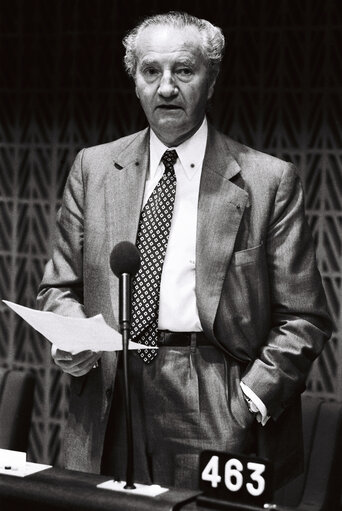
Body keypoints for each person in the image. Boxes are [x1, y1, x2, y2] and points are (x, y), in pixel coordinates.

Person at [37, 11, 332, 490]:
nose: (166, 87)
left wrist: (248, 401)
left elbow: (304, 317)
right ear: (135, 82)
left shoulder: (267, 181)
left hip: (215, 396)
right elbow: (60, 285)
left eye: (184, 71)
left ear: (211, 82)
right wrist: (70, 338)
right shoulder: (93, 169)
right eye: (151, 71)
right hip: (110, 394)